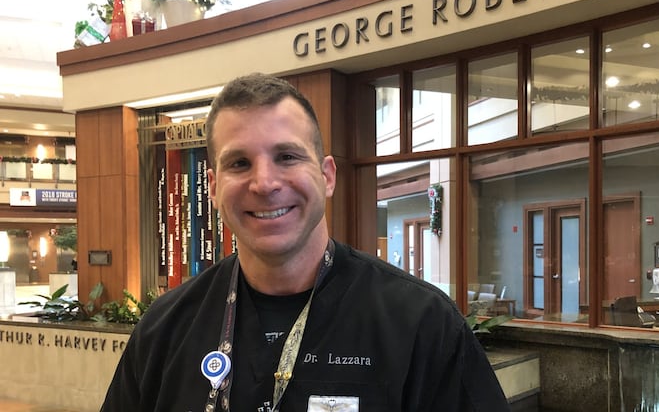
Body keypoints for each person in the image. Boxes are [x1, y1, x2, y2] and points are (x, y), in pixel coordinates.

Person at [100, 73, 510, 411]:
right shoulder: (165, 328)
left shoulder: (421, 324)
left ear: (327, 175)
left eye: (288, 157)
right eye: (239, 163)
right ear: (212, 186)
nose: (264, 183)